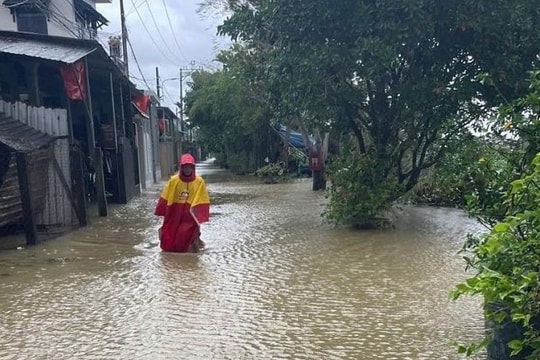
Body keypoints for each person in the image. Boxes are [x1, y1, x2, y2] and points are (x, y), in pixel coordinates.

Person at [154, 153, 210, 253]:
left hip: (190, 216)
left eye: (189, 167)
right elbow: (166, 195)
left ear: (193, 168)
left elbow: (202, 198)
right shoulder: (174, 180)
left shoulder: (199, 181)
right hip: (175, 213)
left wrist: (199, 214)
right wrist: (162, 209)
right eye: (185, 167)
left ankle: (193, 258)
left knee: (192, 236)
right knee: (172, 233)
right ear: (181, 167)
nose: (187, 169)